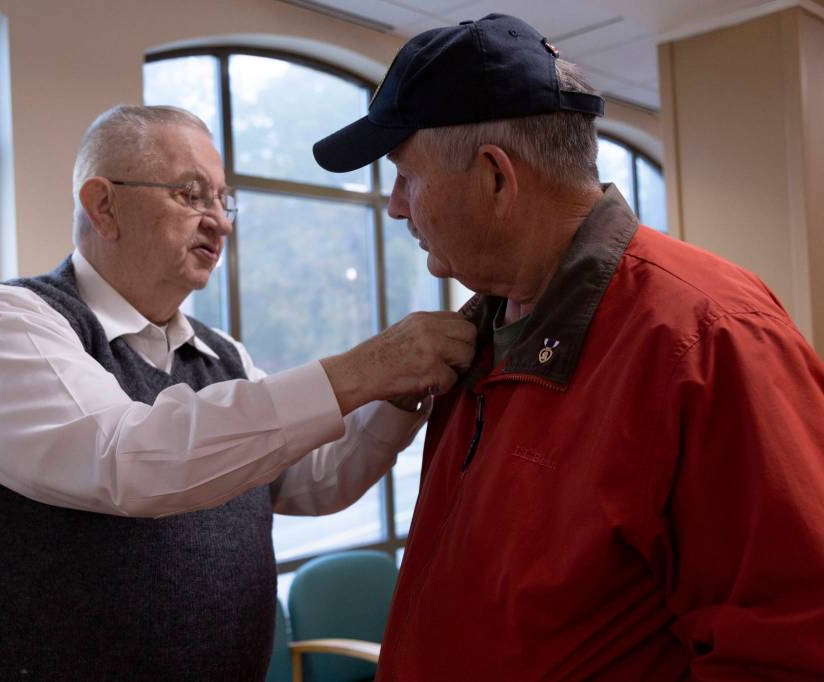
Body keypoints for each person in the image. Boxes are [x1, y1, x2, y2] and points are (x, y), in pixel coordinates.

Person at [313, 13, 824, 680]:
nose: (396, 207)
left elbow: (790, 643)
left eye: (406, 176)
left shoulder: (706, 337)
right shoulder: (478, 338)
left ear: (496, 178)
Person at [0, 104, 477, 680]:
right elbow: (127, 458)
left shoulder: (221, 355)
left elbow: (314, 480)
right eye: (192, 194)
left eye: (223, 200)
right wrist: (363, 369)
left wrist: (400, 394)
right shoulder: (4, 323)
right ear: (103, 206)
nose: (220, 222)